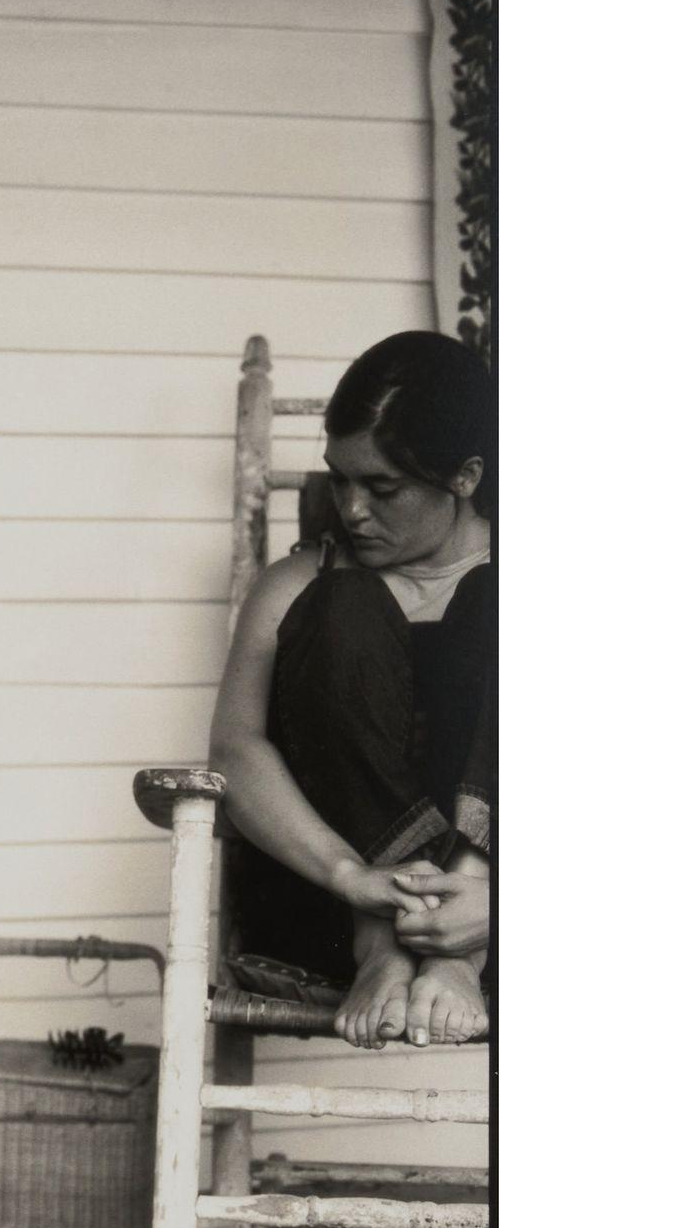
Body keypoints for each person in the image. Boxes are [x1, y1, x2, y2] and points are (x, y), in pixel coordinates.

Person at [206, 329, 494, 1051]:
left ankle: (460, 947)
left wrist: (491, 905)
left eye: (382, 487)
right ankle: (386, 946)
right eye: (340, 479)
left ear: (464, 476)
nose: (352, 509)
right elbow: (235, 753)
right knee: (344, 606)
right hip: (330, 909)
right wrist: (357, 882)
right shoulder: (300, 584)